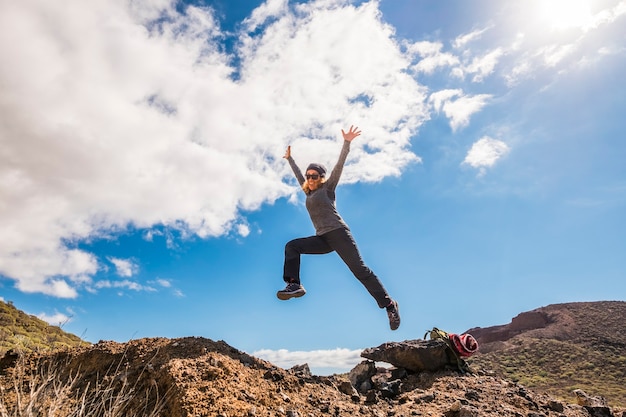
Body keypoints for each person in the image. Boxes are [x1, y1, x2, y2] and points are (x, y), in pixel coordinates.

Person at [277, 125, 400, 331]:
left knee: (359, 270)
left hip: (339, 233)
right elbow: (299, 176)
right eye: (308, 176)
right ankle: (294, 284)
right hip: (323, 238)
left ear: (321, 178)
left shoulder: (328, 189)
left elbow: (338, 166)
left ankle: (389, 304)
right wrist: (290, 160)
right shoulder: (308, 193)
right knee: (292, 246)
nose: (310, 179)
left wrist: (347, 143)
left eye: (314, 176)